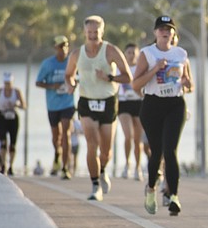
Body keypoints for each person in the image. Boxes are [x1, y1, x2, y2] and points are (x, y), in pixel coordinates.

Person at [64, 15, 132, 201]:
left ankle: (102, 171)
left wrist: (109, 78)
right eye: (89, 32)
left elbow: (128, 77)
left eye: (96, 32)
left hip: (108, 101)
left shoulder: (110, 51)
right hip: (86, 102)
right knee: (91, 143)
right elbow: (69, 74)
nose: (93, 36)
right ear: (84, 32)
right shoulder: (77, 54)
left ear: (102, 32)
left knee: (106, 151)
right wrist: (71, 85)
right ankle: (95, 185)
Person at [132, 15, 192, 216]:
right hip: (152, 105)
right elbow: (136, 85)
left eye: (169, 29)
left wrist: (187, 84)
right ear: (155, 33)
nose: (165, 32)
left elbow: (188, 82)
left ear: (174, 33)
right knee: (156, 152)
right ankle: (151, 189)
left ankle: (173, 195)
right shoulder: (147, 54)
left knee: (170, 150)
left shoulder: (181, 53)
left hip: (175, 104)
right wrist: (155, 69)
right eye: (161, 29)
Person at [35, 34, 74, 179]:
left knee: (66, 134)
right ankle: (57, 154)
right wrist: (53, 86)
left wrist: (73, 84)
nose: (63, 49)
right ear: (55, 48)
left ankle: (65, 167)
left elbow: (78, 78)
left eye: (65, 46)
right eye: (59, 47)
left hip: (68, 103)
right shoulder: (48, 64)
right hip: (53, 105)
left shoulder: (72, 61)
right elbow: (38, 82)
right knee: (56, 137)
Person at [0, 72, 26, 176]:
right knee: (3, 142)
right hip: (2, 117)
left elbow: (24, 105)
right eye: (5, 83)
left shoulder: (17, 92)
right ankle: (3, 165)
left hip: (13, 117)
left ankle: (11, 166)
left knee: (13, 144)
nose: (7, 85)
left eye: (9, 83)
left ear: (12, 82)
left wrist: (17, 105)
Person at [117, 43, 144, 181]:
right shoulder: (119, 69)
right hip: (123, 104)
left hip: (138, 103)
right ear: (124, 54)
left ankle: (138, 167)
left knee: (137, 139)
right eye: (129, 52)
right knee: (128, 135)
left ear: (138, 54)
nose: (131, 55)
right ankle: (127, 164)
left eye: (134, 52)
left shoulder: (141, 69)